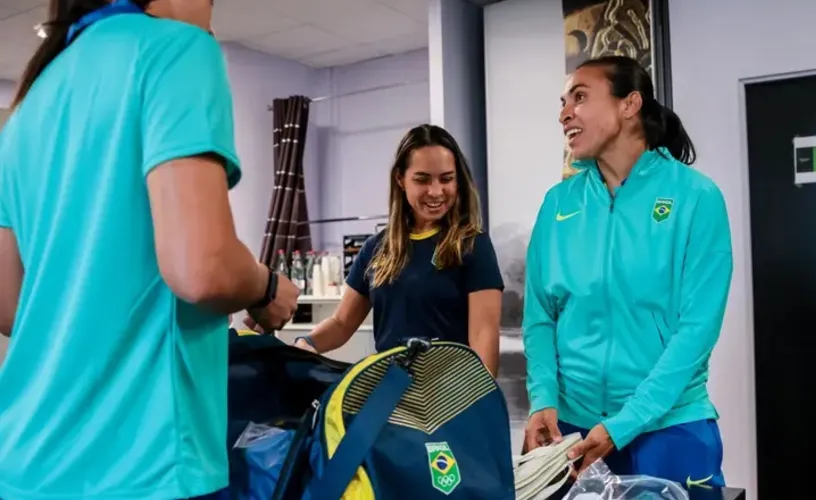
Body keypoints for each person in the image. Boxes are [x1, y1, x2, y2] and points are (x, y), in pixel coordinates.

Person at [0, 1, 300, 499]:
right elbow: (203, 269)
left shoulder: (29, 105)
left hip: (23, 461)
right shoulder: (176, 50)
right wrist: (266, 286)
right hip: (141, 467)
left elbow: (10, 304)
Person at [522, 55, 733, 490]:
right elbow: (540, 315)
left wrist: (626, 423)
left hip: (669, 426)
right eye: (563, 103)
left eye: (580, 97)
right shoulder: (558, 203)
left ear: (630, 104)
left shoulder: (695, 197)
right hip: (573, 428)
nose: (565, 114)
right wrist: (543, 398)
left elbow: (696, 331)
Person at [293, 124, 504, 376]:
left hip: (448, 401)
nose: (436, 191)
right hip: (389, 397)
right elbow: (341, 323)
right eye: (422, 179)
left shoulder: (473, 246)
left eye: (446, 179)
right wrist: (307, 343)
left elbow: (484, 339)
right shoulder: (376, 248)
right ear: (401, 180)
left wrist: (479, 406)